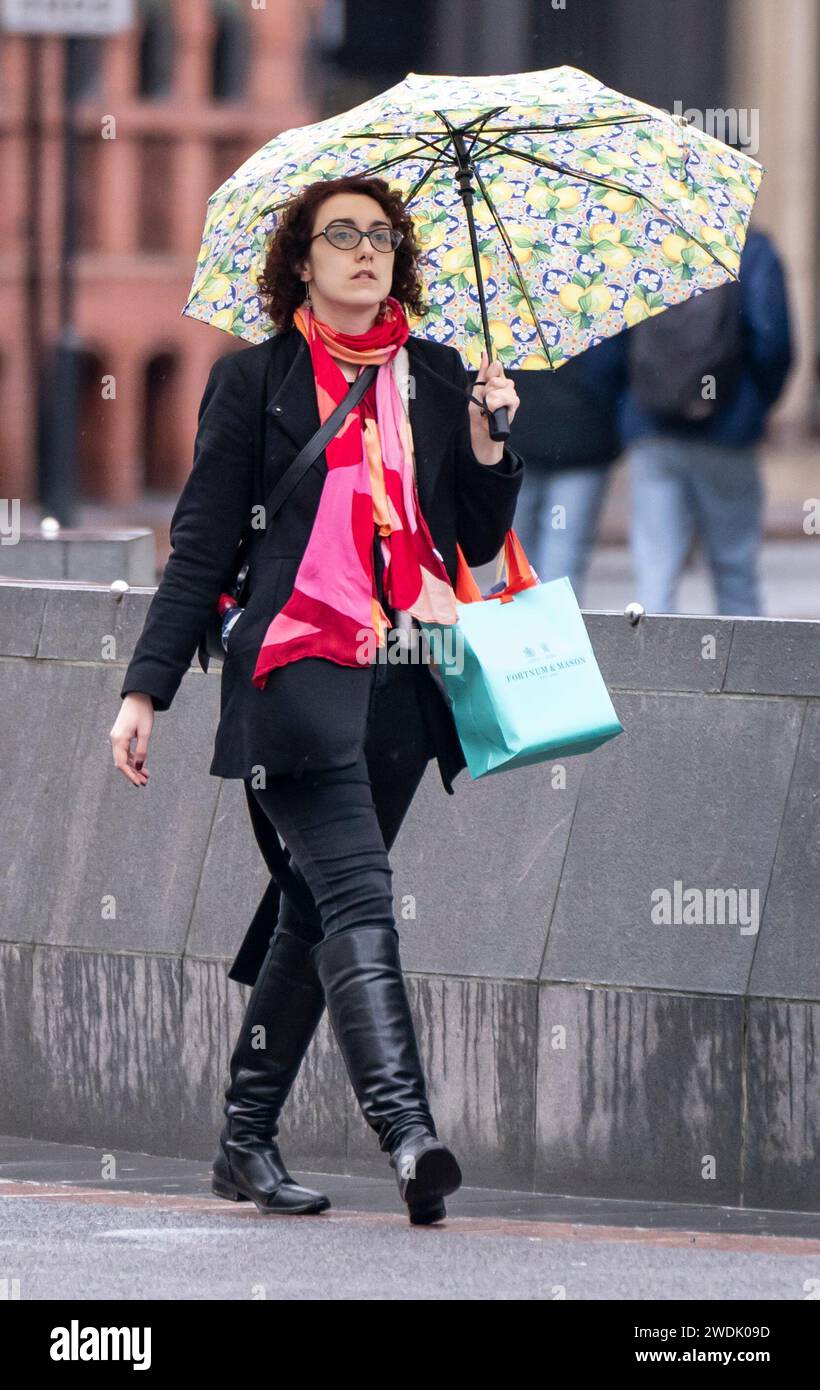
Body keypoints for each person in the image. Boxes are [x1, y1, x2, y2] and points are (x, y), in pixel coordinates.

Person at [109, 174, 524, 1225]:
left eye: (381, 235)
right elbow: (202, 543)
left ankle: (243, 1139)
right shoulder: (253, 381)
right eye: (341, 234)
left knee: (315, 903)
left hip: (405, 683)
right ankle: (409, 1135)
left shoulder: (438, 376)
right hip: (293, 679)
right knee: (359, 894)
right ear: (301, 259)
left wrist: (490, 440)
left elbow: (474, 542)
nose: (365, 250)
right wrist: (145, 687)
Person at [617, 215, 793, 615]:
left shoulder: (646, 244)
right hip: (728, 431)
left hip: (652, 428)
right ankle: (742, 656)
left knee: (655, 572)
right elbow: (773, 340)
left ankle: (651, 655)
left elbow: (615, 338)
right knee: (735, 569)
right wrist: (754, 404)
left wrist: (631, 402)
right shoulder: (752, 248)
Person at [501, 335, 624, 602]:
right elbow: (612, 366)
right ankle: (556, 625)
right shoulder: (596, 314)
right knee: (563, 555)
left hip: (520, 439)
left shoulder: (510, 316)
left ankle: (522, 625)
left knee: (517, 559)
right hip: (582, 438)